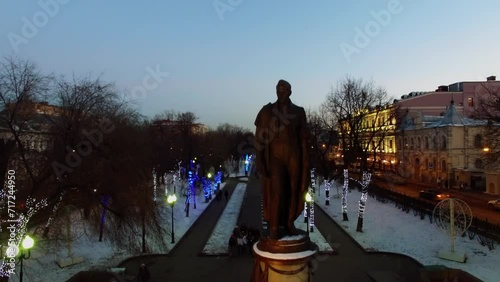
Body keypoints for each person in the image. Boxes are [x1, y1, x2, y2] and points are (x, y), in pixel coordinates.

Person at [254, 79, 309, 240]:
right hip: (275, 157)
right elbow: (259, 139)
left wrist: (306, 158)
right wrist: (259, 159)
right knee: (276, 189)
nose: (281, 93)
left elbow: (303, 138)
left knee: (293, 190)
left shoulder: (299, 112)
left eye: (284, 90)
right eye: (278, 90)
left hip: (294, 156)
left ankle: (289, 222)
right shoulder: (267, 111)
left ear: (290, 92)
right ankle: (274, 226)